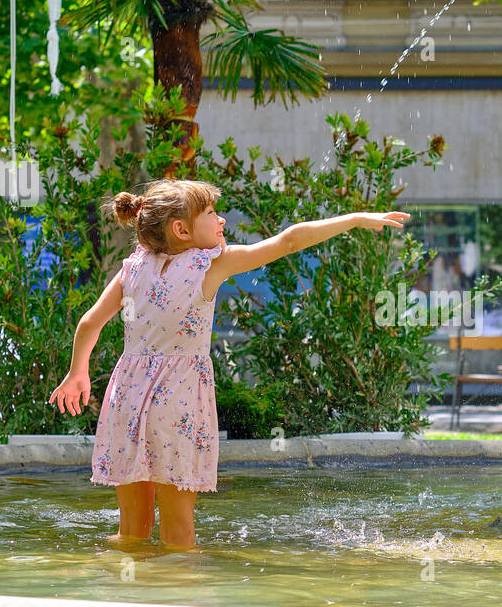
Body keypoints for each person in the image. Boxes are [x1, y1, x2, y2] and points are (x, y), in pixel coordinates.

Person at [49, 179, 410, 549]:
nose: (221, 220)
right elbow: (288, 242)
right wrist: (354, 218)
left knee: (132, 531)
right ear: (182, 230)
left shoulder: (133, 269)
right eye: (211, 214)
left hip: (127, 400)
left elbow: (90, 323)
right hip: (177, 405)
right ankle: (183, 598)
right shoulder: (209, 266)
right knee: (179, 533)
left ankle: (125, 592)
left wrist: (78, 373)